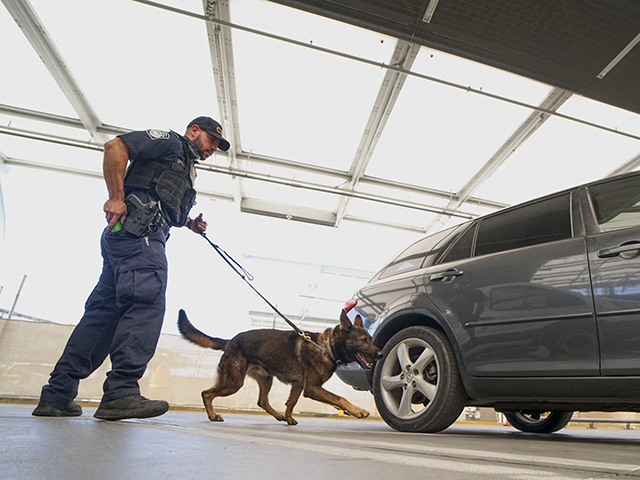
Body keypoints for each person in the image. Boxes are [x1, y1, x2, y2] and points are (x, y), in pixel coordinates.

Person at [32, 116, 230, 420]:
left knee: (102, 316)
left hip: (127, 239)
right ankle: (121, 392)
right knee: (145, 303)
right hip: (140, 236)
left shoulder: (187, 170)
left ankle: (57, 395)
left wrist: (191, 224)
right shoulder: (169, 142)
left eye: (217, 145)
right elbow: (116, 146)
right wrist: (115, 197)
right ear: (194, 131)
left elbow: (166, 205)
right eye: (211, 140)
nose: (213, 148)